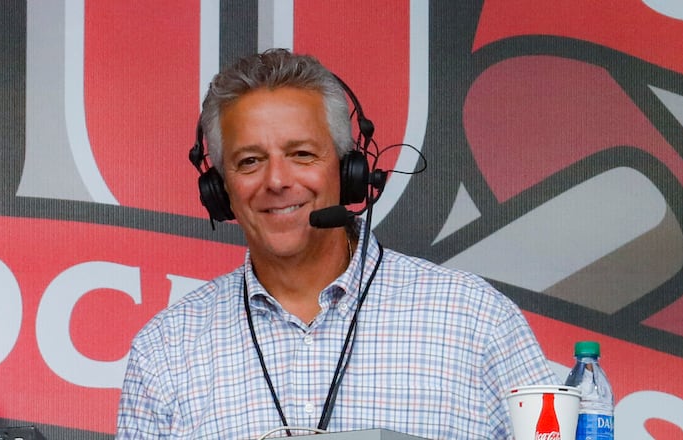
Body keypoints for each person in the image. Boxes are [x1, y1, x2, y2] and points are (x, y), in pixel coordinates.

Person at [116, 48, 557, 439]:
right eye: (249, 161)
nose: (277, 181)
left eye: (302, 154)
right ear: (220, 189)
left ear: (350, 171)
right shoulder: (166, 350)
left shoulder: (477, 321)